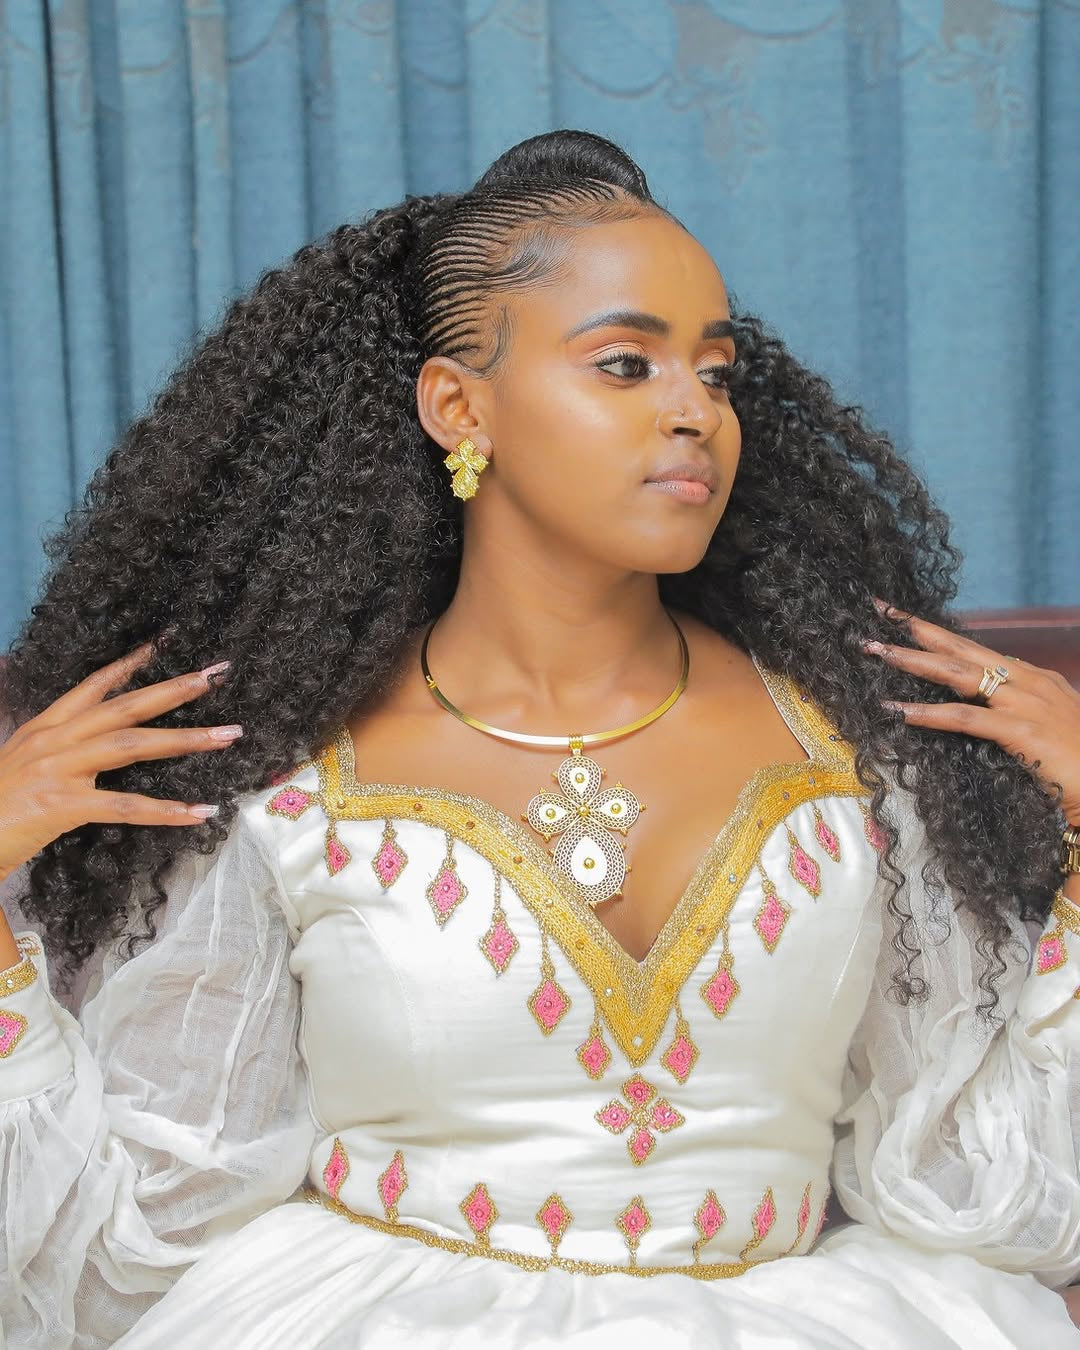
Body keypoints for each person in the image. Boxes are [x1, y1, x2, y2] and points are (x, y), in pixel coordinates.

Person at [0, 128, 1077, 1349]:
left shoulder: (863, 757)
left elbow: (984, 1191)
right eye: (626, 365)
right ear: (459, 405)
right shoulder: (285, 783)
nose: (696, 415)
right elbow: (122, 1252)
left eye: (716, 374)